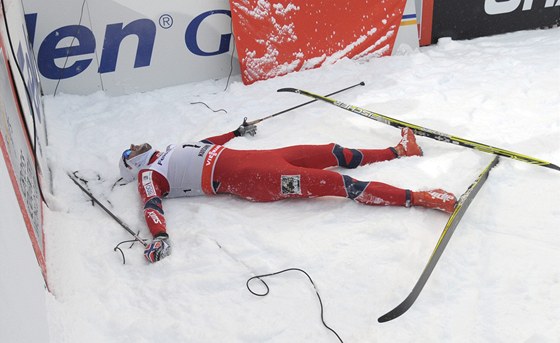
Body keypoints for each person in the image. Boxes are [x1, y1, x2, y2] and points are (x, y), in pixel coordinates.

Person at [119, 121, 457, 263]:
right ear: (133, 164)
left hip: (263, 157)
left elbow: (209, 143)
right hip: (256, 179)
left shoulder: (169, 149)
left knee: (332, 151)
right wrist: (160, 235)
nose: (135, 145)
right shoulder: (150, 172)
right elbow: (152, 203)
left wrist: (235, 131)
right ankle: (422, 197)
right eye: (130, 150)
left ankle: (399, 151)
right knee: (340, 185)